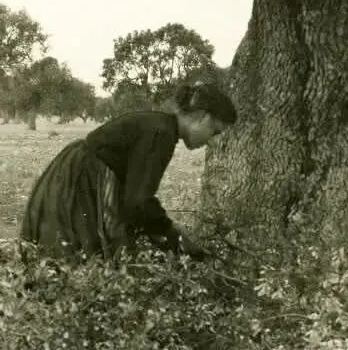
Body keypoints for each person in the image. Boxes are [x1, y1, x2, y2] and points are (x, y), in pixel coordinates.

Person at [19, 80, 236, 262]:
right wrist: (175, 236)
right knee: (80, 257)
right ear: (202, 117)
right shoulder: (162, 134)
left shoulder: (161, 126)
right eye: (214, 131)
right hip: (84, 179)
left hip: (82, 172)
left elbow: (136, 198)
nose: (211, 142)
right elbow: (138, 202)